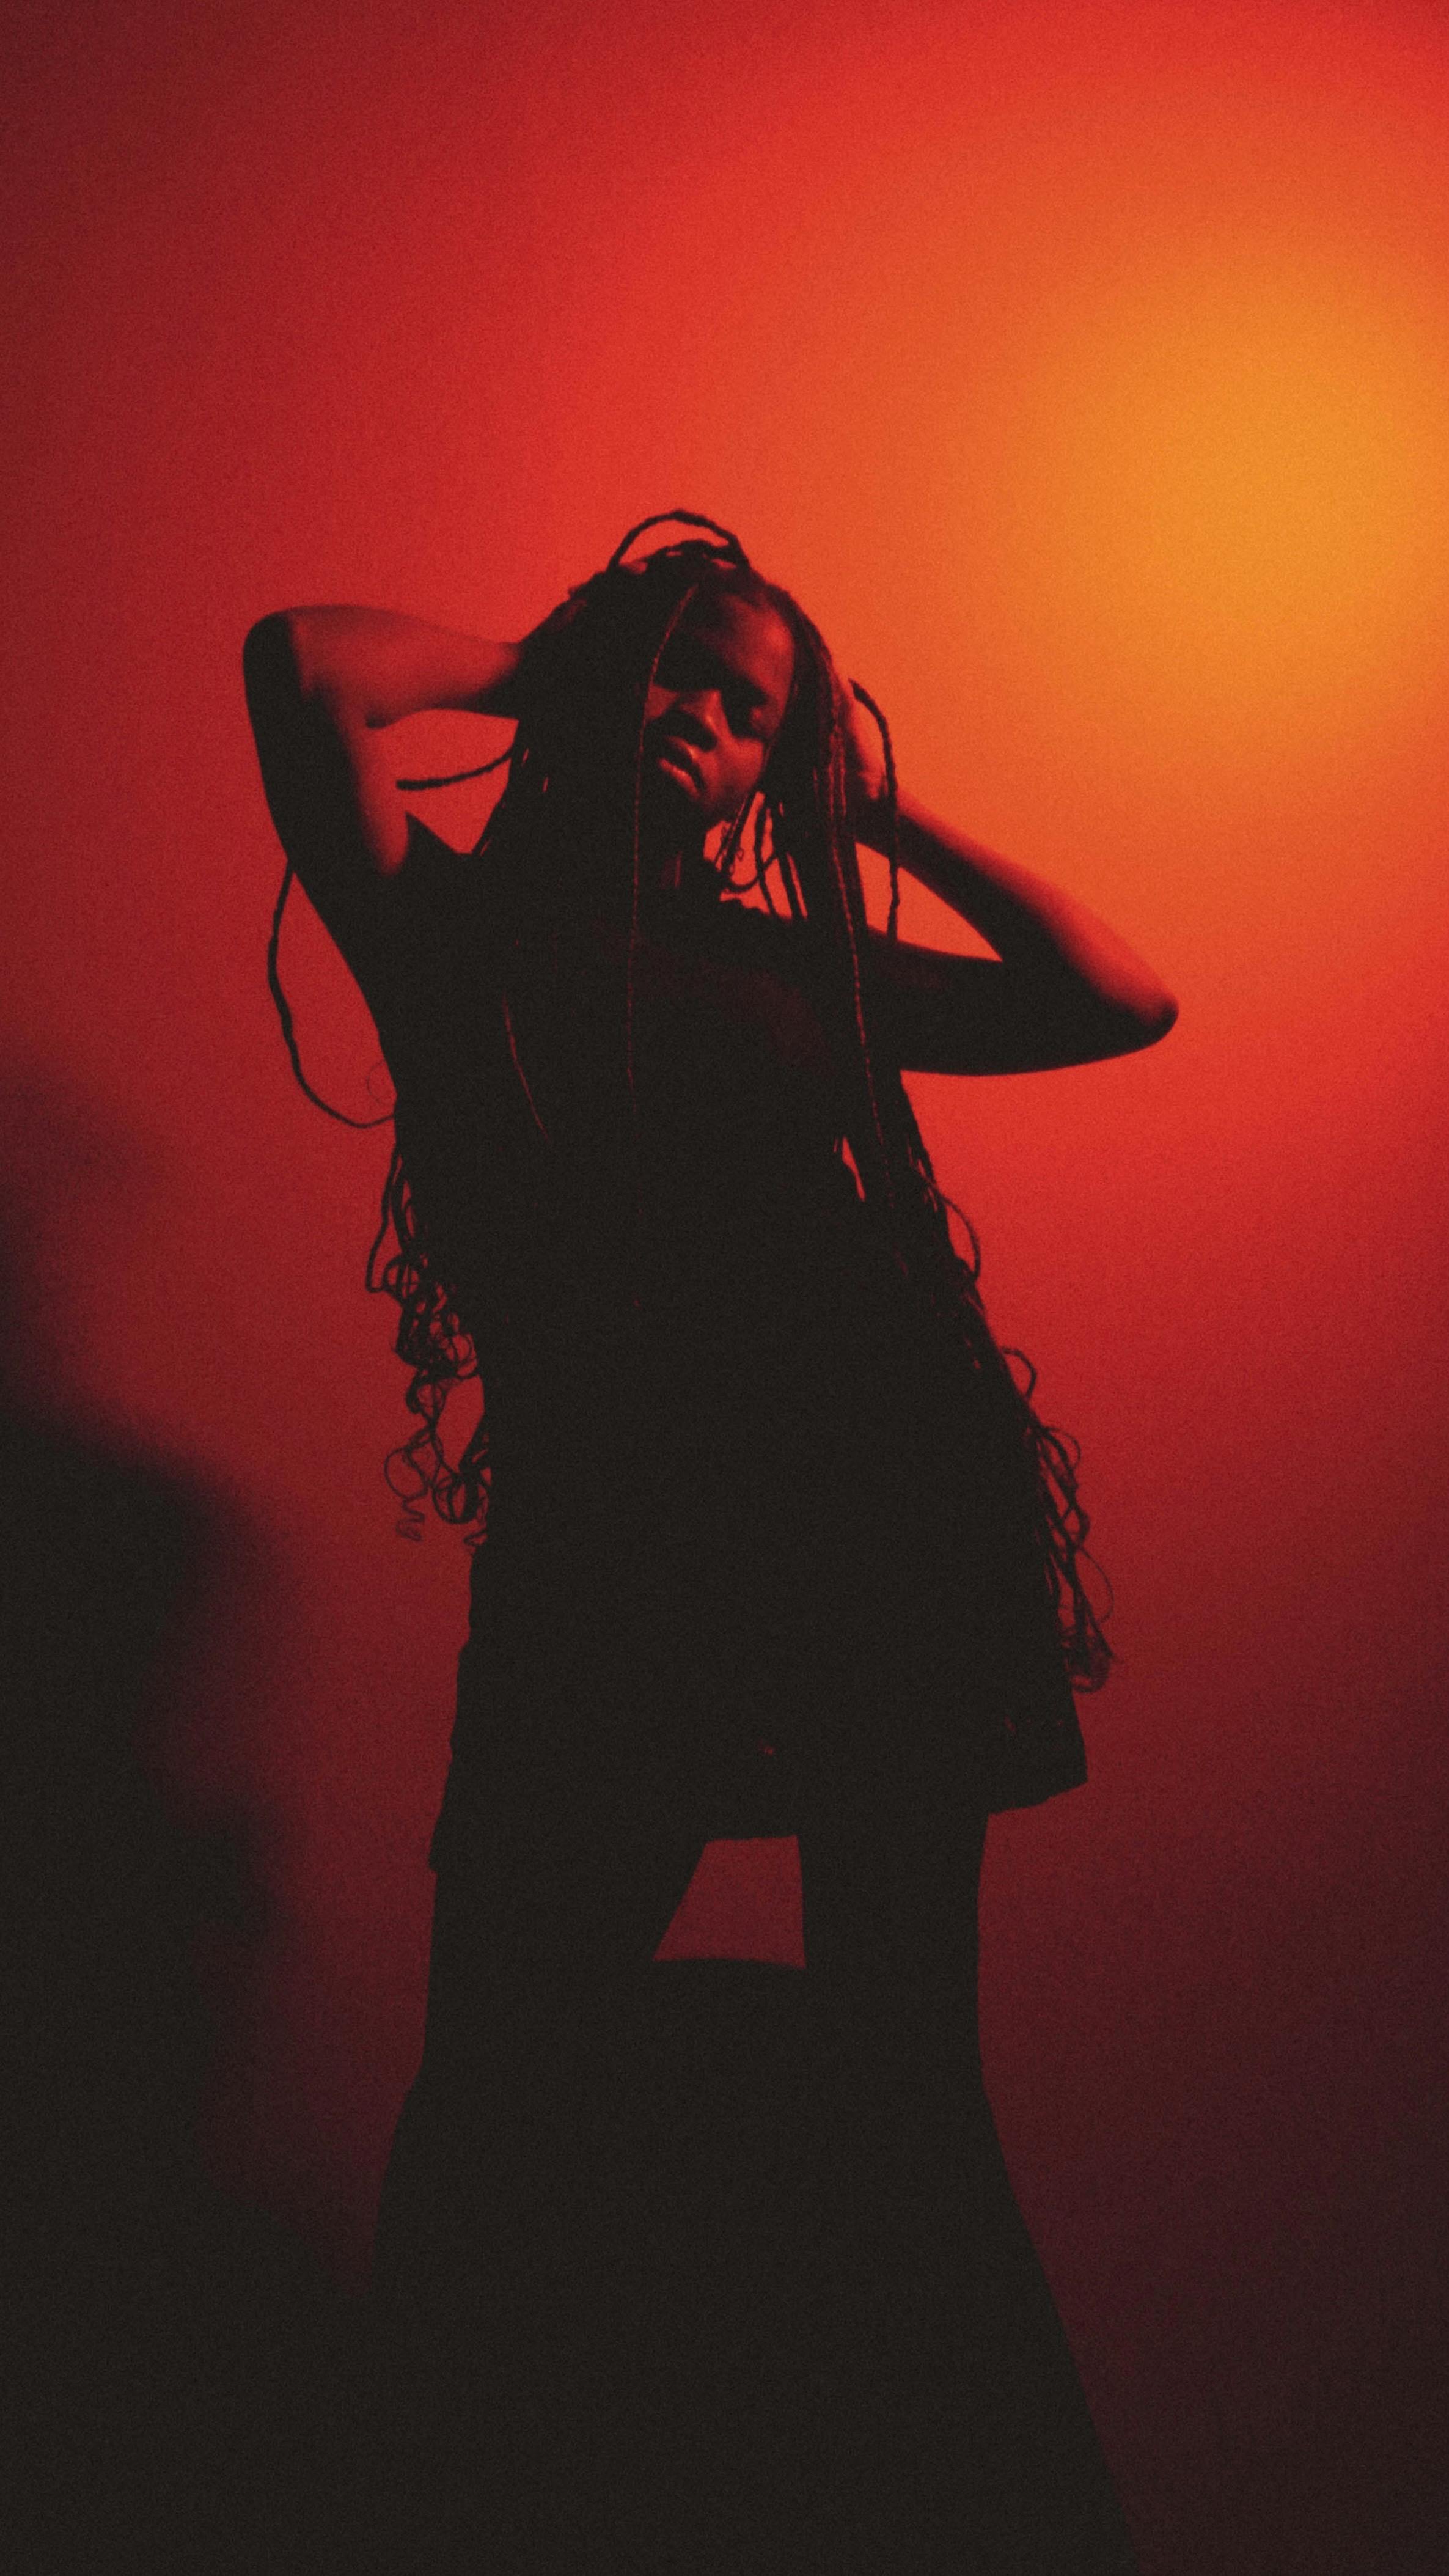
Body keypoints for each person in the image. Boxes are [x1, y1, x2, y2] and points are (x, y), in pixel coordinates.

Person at [243, 513, 1176, 2574]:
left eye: (748, 710)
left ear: (783, 773)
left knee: (904, 2087)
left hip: (877, 1534)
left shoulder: (795, 960)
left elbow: (1120, 1000)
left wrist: (884, 801)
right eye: (677, 673)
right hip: (614, 1558)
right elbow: (306, 661)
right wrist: (567, 660)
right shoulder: (455, 924)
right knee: (496, 2075)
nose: (703, 719)